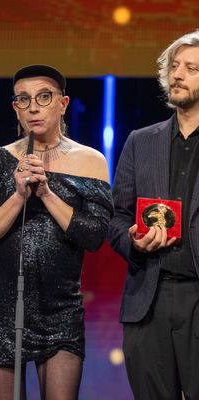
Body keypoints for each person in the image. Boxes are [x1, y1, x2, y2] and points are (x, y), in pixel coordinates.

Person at [0, 65, 114, 399]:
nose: (33, 107)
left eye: (43, 97)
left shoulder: (90, 162)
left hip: (60, 310)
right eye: (23, 99)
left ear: (62, 104)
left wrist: (46, 193)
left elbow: (93, 237)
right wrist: (18, 196)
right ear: (15, 108)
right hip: (2, 309)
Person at [109, 30, 199, 400]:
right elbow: (115, 217)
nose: (177, 74)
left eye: (191, 68)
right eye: (173, 66)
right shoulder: (140, 141)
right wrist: (132, 239)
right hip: (149, 299)